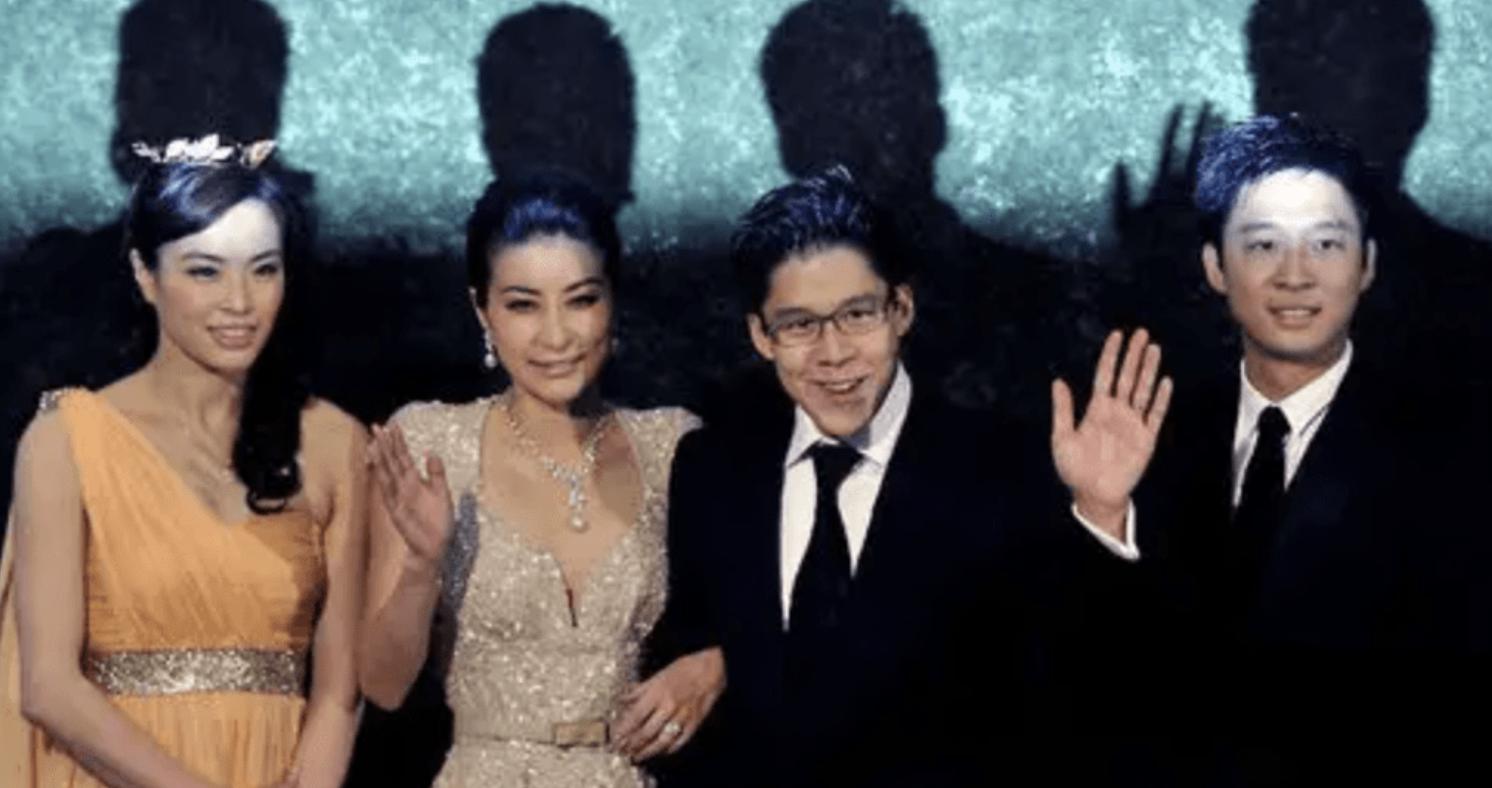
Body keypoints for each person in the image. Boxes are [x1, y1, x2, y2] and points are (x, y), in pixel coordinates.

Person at [650, 165, 1169, 786]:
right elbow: (691, 677)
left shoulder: (1000, 466)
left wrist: (1100, 512)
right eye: (799, 324)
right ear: (761, 335)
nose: (834, 353)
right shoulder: (712, 469)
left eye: (857, 314)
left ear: (901, 308)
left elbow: (1090, 688)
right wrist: (719, 661)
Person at [0, 136, 364, 787]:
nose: (239, 302)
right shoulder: (64, 442)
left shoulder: (336, 443)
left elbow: (341, 691)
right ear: (146, 274)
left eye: (263, 269)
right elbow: (48, 686)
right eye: (205, 271)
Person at [359, 167, 725, 787]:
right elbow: (383, 685)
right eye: (522, 304)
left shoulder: (673, 447)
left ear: (614, 300)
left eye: (581, 299)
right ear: (482, 311)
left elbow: (774, 618)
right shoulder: (429, 443)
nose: (556, 335)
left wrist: (715, 665)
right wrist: (422, 565)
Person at [1119, 114, 1452, 785]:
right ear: (1216, 267)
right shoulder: (1148, 434)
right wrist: (1101, 513)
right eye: (1264, 244)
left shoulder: (1451, 457)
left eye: (1325, 244)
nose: (1295, 276)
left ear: (1366, 264)